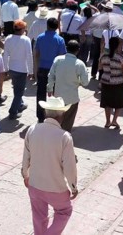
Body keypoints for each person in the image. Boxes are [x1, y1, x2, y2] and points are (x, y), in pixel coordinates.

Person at [21, 96, 78, 235]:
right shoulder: (64, 137)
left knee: (39, 217)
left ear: (46, 113)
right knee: (64, 211)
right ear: (62, 115)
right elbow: (69, 167)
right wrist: (73, 186)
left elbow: (25, 158)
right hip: (56, 188)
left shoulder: (32, 129)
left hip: (35, 184)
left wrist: (25, 175)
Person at [47, 40, 89, 132]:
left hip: (58, 97)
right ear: (78, 50)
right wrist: (78, 82)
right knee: (68, 123)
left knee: (56, 121)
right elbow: (85, 82)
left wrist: (49, 88)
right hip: (72, 99)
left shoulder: (58, 59)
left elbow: (51, 75)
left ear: (66, 48)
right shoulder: (80, 64)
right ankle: (64, 140)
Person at [34, 18, 66, 123]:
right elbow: (62, 57)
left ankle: (40, 116)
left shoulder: (40, 38)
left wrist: (35, 70)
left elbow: (36, 55)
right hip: (55, 70)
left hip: (42, 69)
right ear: (57, 27)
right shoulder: (60, 40)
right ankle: (55, 116)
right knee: (56, 94)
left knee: (41, 94)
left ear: (47, 26)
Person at [98, 37, 123, 129]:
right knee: (118, 102)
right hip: (118, 82)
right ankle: (114, 121)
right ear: (118, 45)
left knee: (107, 103)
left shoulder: (103, 56)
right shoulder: (121, 57)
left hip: (105, 82)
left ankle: (108, 121)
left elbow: (100, 68)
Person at [3, 20, 33, 119]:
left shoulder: (8, 38)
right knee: (19, 92)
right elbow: (29, 56)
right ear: (23, 29)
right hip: (22, 69)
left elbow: (5, 54)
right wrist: (31, 71)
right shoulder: (26, 40)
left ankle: (20, 105)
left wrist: (5, 68)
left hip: (12, 68)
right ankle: (13, 111)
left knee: (16, 89)